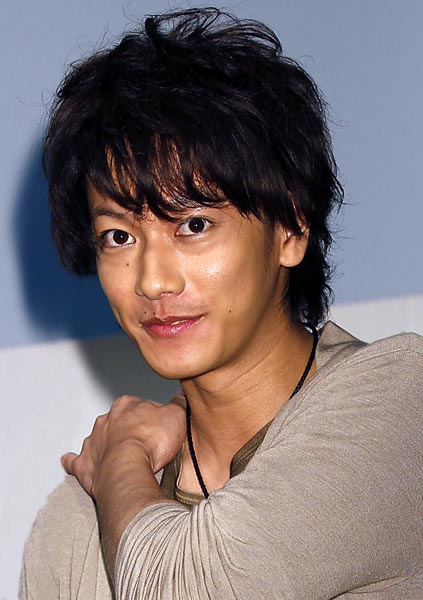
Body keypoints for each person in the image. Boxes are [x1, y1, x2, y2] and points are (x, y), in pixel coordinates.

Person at [20, 7, 423, 599]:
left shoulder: (400, 401)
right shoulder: (78, 520)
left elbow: (191, 588)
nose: (153, 282)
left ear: (291, 229)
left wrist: (123, 457)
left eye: (194, 225)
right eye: (119, 237)